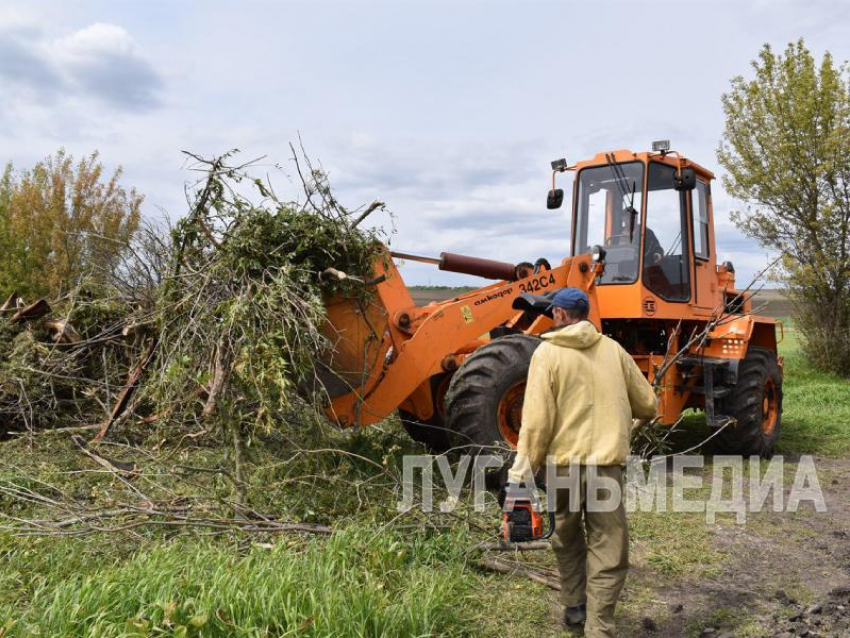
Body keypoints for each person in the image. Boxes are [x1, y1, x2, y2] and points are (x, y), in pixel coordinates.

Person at [506, 287, 657, 637]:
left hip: (564, 467)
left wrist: (520, 476)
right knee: (609, 547)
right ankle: (599, 627)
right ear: (585, 313)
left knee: (567, 536)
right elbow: (648, 405)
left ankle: (575, 609)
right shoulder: (614, 350)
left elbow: (537, 424)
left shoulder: (547, 354)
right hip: (606, 467)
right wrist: (625, 425)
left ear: (558, 315)